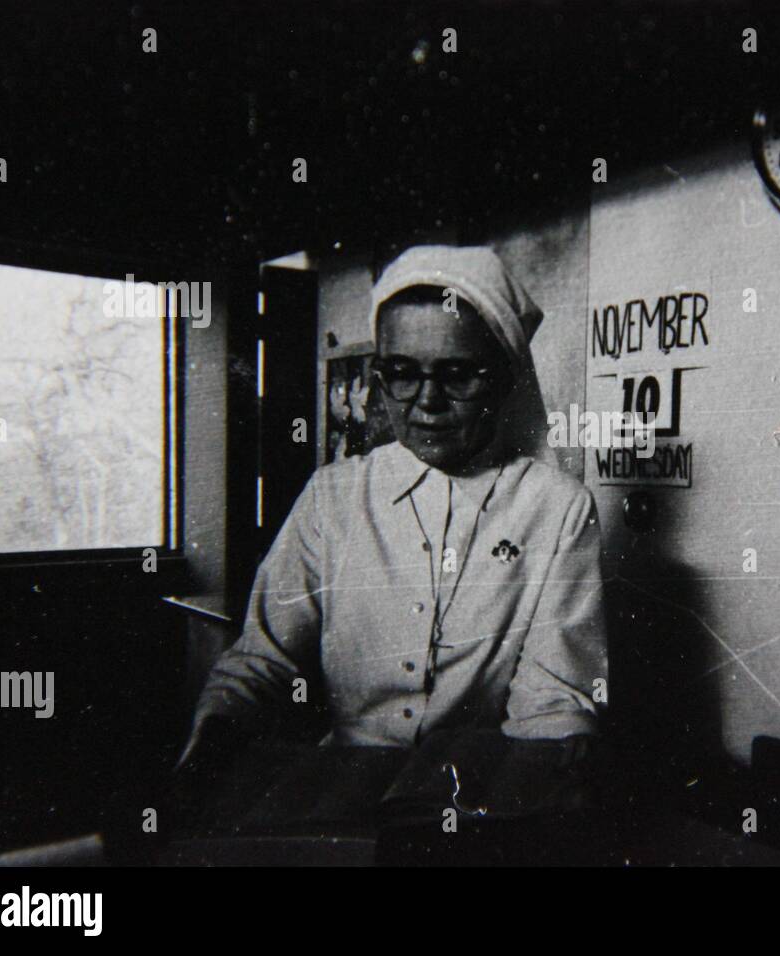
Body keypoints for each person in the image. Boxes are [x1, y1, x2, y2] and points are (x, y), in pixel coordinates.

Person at [180, 246, 608, 773]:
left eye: (457, 374)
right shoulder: (332, 498)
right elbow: (266, 660)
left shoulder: (558, 509)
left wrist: (549, 771)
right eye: (402, 372)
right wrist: (217, 730)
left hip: (478, 789)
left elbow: (553, 698)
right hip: (342, 786)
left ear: (503, 375)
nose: (426, 401)